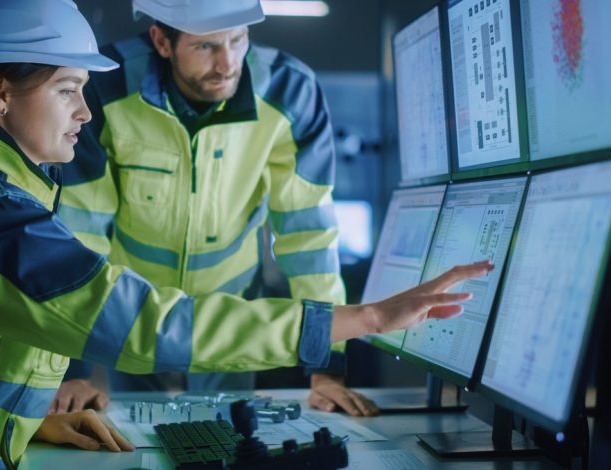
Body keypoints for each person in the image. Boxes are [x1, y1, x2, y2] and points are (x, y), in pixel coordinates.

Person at [0, 0, 493, 467]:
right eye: (67, 89)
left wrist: (30, 418)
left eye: (237, 40)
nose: (84, 112)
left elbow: (303, 232)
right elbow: (141, 322)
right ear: (1, 95)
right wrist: (368, 316)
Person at [55, 0, 377, 416]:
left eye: (238, 40)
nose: (227, 64)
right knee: (129, 434)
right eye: (205, 47)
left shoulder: (289, 91)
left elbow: (309, 236)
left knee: (226, 437)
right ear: (162, 41)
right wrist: (72, 367)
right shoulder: (106, 85)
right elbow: (80, 229)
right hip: (130, 303)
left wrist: (326, 366)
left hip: (231, 307)